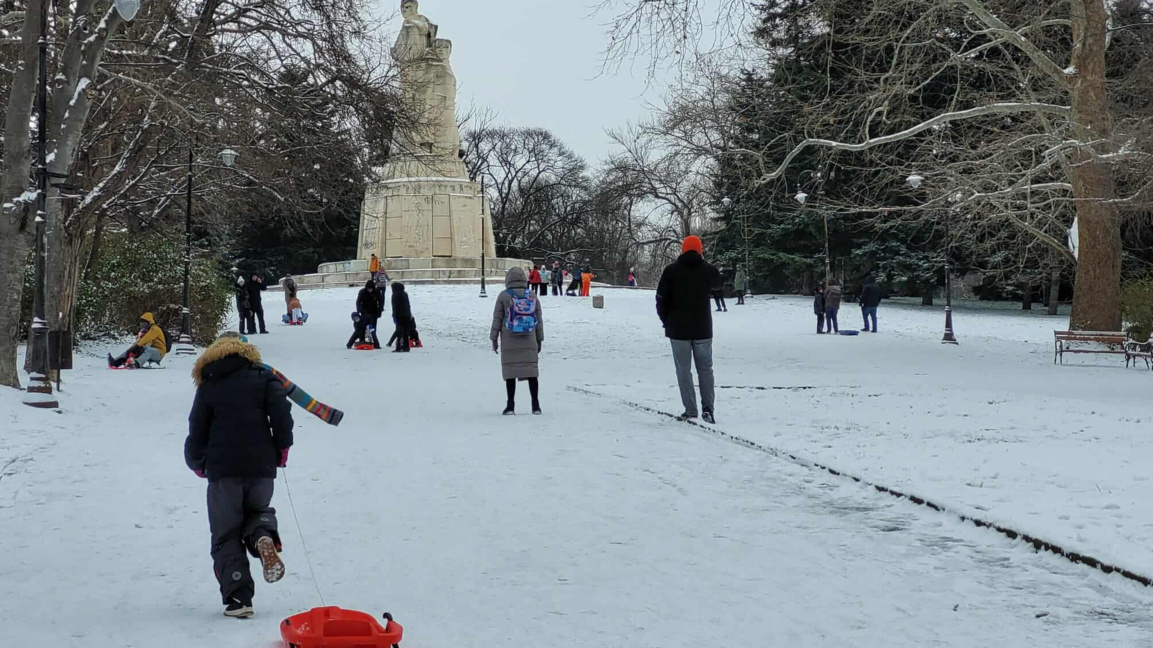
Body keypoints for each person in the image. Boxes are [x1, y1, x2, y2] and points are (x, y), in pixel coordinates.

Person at [184, 334, 294, 619]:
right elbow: (282, 414)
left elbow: (197, 429)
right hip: (261, 466)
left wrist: (197, 462)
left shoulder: (209, 384)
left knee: (226, 532)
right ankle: (262, 537)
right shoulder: (264, 378)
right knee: (258, 510)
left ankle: (239, 597)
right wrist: (282, 448)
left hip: (223, 470)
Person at [656, 235, 721, 423]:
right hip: (702, 329)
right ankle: (708, 408)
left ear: (682, 250)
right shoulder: (707, 270)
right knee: (706, 369)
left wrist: (666, 320)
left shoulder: (671, 271)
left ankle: (690, 409)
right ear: (700, 250)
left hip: (678, 330)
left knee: (683, 370)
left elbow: (661, 299)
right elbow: (718, 284)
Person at [491, 267, 544, 415]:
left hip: (509, 339)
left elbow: (497, 319)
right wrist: (539, 339)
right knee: (532, 372)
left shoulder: (503, 296)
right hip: (529, 338)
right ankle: (535, 405)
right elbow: (539, 320)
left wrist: (494, 338)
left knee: (510, 373)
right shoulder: (532, 295)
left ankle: (510, 405)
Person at [347, 279, 382, 349]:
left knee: (372, 328)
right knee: (360, 329)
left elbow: (380, 302)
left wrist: (379, 312)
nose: (370, 290)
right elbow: (358, 302)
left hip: (374, 313)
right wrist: (359, 311)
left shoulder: (377, 292)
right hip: (364, 312)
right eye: (368, 289)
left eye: (371, 289)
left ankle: (375, 342)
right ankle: (361, 340)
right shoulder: (362, 292)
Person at [391, 282, 414, 353]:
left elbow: (395, 306)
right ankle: (406, 347)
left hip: (399, 315)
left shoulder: (395, 295)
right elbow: (408, 305)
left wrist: (394, 315)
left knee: (399, 331)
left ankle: (399, 347)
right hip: (407, 315)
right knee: (405, 332)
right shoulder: (405, 294)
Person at [233, 268, 250, 334]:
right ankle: (241, 330)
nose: (241, 284)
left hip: (246, 305)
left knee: (248, 318)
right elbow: (240, 297)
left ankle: (249, 329)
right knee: (242, 319)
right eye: (240, 282)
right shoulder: (237, 290)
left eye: (242, 282)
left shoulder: (245, 288)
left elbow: (247, 296)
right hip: (241, 306)